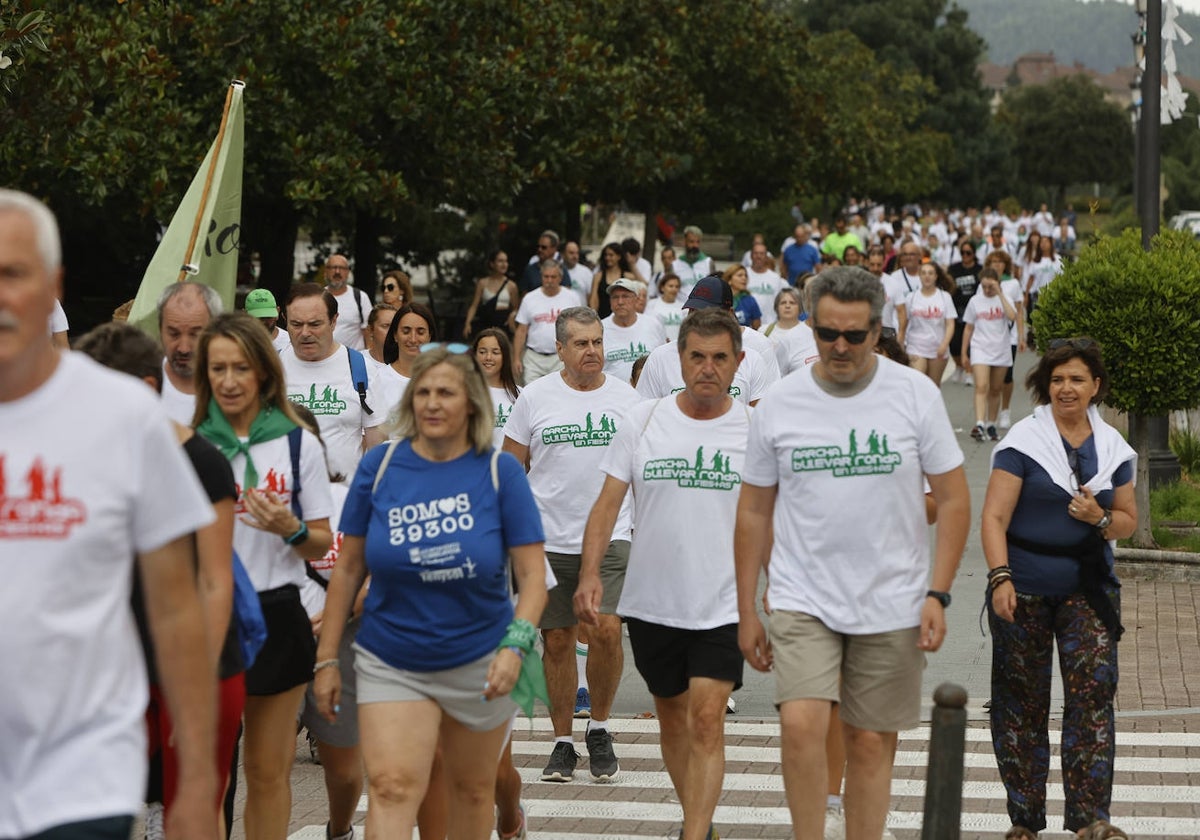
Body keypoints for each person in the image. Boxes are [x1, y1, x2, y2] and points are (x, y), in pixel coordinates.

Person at [0, 190, 219, 840]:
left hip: (85, 773)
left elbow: (178, 604)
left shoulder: (124, 417)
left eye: (14, 273)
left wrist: (198, 777)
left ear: (54, 287)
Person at [734, 266, 969, 840]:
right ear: (811, 326)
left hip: (891, 600)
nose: (839, 347)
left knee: (867, 740)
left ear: (877, 329)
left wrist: (938, 593)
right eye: (826, 333)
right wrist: (746, 608)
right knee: (800, 724)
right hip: (802, 595)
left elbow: (956, 499)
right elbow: (753, 510)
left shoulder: (913, 393)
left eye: (855, 335)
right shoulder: (782, 403)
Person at [314, 347, 548, 839]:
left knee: (471, 793)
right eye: (423, 392)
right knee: (393, 788)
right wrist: (327, 658)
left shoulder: (499, 472)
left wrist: (516, 645)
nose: (432, 403)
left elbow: (531, 578)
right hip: (390, 659)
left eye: (446, 392)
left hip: (481, 660)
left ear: (471, 403)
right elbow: (349, 568)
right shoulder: (379, 467)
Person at [576, 308, 749, 840]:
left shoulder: (755, 428)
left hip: (722, 602)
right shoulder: (644, 419)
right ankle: (698, 818)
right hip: (652, 601)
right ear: (679, 359)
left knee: (705, 719)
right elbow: (607, 504)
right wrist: (589, 574)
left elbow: (779, 513)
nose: (708, 367)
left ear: (738, 362)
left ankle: (693, 833)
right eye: (697, 356)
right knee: (672, 719)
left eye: (720, 357)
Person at [75, 322, 245, 839]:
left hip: (195, 664)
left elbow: (216, 582)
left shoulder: (202, 462)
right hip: (114, 669)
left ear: (144, 391)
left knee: (191, 807)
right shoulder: (86, 459)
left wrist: (200, 686)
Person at [981, 338, 1136, 839]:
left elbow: (1127, 521)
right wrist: (1000, 576)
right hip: (1022, 586)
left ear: (1095, 386)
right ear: (1045, 386)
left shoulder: (1113, 448)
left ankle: (1091, 819)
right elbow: (993, 517)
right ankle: (1024, 821)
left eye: (1076, 379)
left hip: (1087, 592)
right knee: (1020, 703)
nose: (1066, 388)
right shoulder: (1022, 444)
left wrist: (1101, 517)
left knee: (1092, 700)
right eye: (1057, 379)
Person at [195, 312, 337, 840]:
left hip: (278, 612)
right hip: (209, 615)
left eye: (241, 368)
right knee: (208, 778)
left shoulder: (298, 442)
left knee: (267, 771)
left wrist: (291, 527)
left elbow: (321, 541)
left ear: (263, 374)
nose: (229, 381)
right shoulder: (191, 446)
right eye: (217, 369)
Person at [503, 308, 642, 784]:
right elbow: (509, 469)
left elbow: (643, 469)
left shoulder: (628, 398)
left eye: (598, 342)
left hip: (611, 536)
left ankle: (600, 727)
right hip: (547, 539)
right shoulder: (535, 398)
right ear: (559, 349)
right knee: (557, 640)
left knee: (605, 629)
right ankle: (563, 741)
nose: (592, 352)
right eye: (581, 343)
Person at [282, 283, 389, 484]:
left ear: (333, 321)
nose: (305, 333)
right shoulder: (270, 370)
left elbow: (377, 445)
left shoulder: (361, 368)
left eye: (315, 324)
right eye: (296, 324)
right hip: (284, 503)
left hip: (344, 502)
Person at [961, 268, 1018, 442]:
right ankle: (979, 423)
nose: (987, 290)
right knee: (981, 386)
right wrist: (964, 352)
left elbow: (1012, 316)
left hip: (1001, 348)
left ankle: (991, 424)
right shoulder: (975, 301)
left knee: (995, 389)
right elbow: (969, 327)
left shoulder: (1004, 298)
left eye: (990, 287)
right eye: (984, 286)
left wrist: (999, 293)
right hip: (980, 348)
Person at [158, 281, 224, 425]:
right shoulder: (138, 388)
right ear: (160, 329)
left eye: (195, 334)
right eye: (174, 334)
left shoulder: (238, 388)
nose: (184, 348)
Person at [984, 249, 1026, 430]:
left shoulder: (1014, 284)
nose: (997, 265)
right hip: (989, 336)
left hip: (1010, 338)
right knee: (989, 377)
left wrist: (1021, 335)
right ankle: (989, 414)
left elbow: (1019, 311)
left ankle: (1005, 410)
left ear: (1006, 265)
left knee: (1006, 377)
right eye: (993, 262)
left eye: (1000, 262)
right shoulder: (984, 284)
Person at [513, 260, 572, 384]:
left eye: (553, 277)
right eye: (546, 277)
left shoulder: (572, 298)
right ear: (541, 277)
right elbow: (521, 330)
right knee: (531, 395)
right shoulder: (529, 299)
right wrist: (516, 358)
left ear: (560, 278)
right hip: (533, 358)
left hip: (560, 358)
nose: (549, 280)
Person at [897, 262, 956, 386]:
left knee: (933, 386)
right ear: (919, 276)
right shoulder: (911, 298)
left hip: (937, 348)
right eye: (923, 273)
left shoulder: (944, 297)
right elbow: (903, 324)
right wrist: (901, 344)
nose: (927, 276)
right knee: (918, 383)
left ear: (936, 276)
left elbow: (950, 324)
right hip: (916, 346)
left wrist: (944, 344)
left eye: (930, 273)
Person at [602, 278, 667, 382]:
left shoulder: (653, 325)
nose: (620, 302)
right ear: (610, 301)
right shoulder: (600, 328)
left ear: (636, 299)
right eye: (615, 297)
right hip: (613, 395)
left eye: (625, 296)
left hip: (648, 395)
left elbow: (663, 360)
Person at [471, 327, 521, 449]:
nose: (488, 357)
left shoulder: (520, 394)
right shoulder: (464, 392)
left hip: (509, 466)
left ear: (505, 356)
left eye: (495, 352)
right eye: (482, 352)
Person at [380, 302, 439, 404]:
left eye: (420, 332)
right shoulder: (377, 379)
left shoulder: (442, 379)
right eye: (406, 331)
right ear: (395, 335)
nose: (413, 339)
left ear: (430, 336)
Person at [947, 242, 982, 383]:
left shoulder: (979, 269)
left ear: (974, 254)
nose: (965, 256)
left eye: (968, 253)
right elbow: (948, 286)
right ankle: (959, 367)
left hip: (974, 310)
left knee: (970, 343)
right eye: (963, 253)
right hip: (957, 310)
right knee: (954, 343)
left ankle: (969, 372)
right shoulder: (954, 269)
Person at [463, 250, 518, 338]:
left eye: (506, 261)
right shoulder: (482, 283)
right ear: (492, 264)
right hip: (486, 322)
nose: (504, 264)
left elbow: (516, 308)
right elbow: (474, 305)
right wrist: (467, 323)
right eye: (500, 261)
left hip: (503, 324)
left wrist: (512, 316)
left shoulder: (511, 285)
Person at [323, 254, 372, 351]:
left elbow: (369, 333)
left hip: (353, 361)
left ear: (348, 272)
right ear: (326, 271)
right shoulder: (317, 297)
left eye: (341, 268)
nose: (337, 271)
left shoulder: (361, 297)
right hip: (323, 359)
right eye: (333, 267)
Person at [589, 242, 637, 319]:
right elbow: (593, 299)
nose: (607, 258)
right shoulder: (598, 276)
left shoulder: (629, 277)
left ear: (619, 256)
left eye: (611, 255)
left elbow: (634, 298)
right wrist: (594, 316)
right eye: (606, 255)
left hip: (623, 317)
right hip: (602, 317)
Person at [745, 241, 785, 327]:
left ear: (766, 257)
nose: (758, 256)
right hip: (748, 326)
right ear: (751, 256)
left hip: (769, 326)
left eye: (761, 253)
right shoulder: (744, 274)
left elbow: (780, 301)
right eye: (756, 253)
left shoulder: (775, 278)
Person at [245, 288, 290, 353]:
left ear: (277, 312)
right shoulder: (237, 342)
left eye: (268, 317)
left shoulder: (291, 343)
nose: (263, 322)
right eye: (257, 318)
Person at [645, 272, 686, 342]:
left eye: (677, 286)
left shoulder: (684, 306)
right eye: (671, 286)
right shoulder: (652, 304)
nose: (674, 289)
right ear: (662, 288)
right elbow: (648, 326)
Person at [674, 225, 714, 294]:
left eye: (697, 242)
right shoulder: (675, 265)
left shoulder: (708, 262)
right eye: (691, 242)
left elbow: (714, 287)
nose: (695, 245)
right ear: (685, 242)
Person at [725, 265, 761, 330]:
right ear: (729, 280)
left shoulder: (750, 301)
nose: (744, 278)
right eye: (740, 275)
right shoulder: (720, 298)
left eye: (745, 276)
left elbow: (757, 329)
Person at [365, 303, 398, 369]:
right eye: (385, 326)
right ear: (370, 330)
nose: (391, 331)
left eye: (395, 327)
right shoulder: (357, 361)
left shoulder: (407, 363)